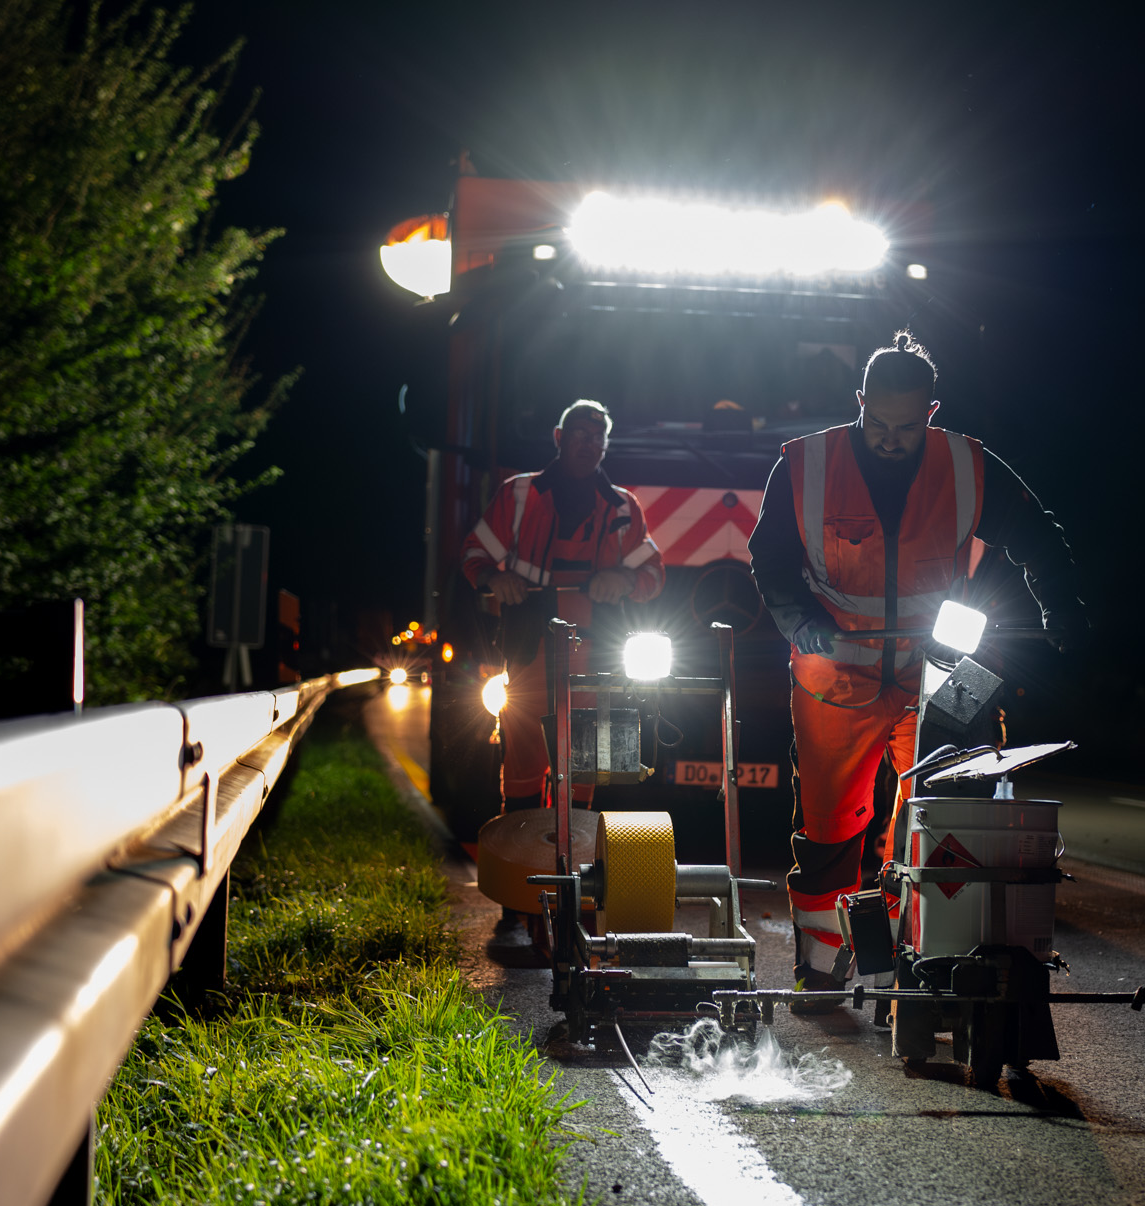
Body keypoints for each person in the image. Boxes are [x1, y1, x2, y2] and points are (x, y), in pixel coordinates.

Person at [747, 331, 1084, 1006]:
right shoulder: (807, 464)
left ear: (931, 411)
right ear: (859, 401)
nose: (891, 438)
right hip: (836, 672)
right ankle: (821, 962)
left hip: (939, 670)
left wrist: (1061, 606)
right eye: (878, 423)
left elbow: (1035, 532)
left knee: (948, 815)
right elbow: (772, 559)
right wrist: (799, 620)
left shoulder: (967, 466)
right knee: (830, 833)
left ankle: (926, 957)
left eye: (907, 426)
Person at [462, 399, 665, 811]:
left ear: (606, 447)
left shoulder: (624, 507)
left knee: (585, 776)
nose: (589, 444)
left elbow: (654, 576)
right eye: (579, 435)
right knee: (522, 764)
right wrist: (494, 577)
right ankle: (522, 859)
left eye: (598, 438)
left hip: (598, 660)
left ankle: (575, 868)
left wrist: (623, 579)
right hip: (529, 649)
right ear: (558, 438)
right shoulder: (518, 494)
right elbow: (473, 555)